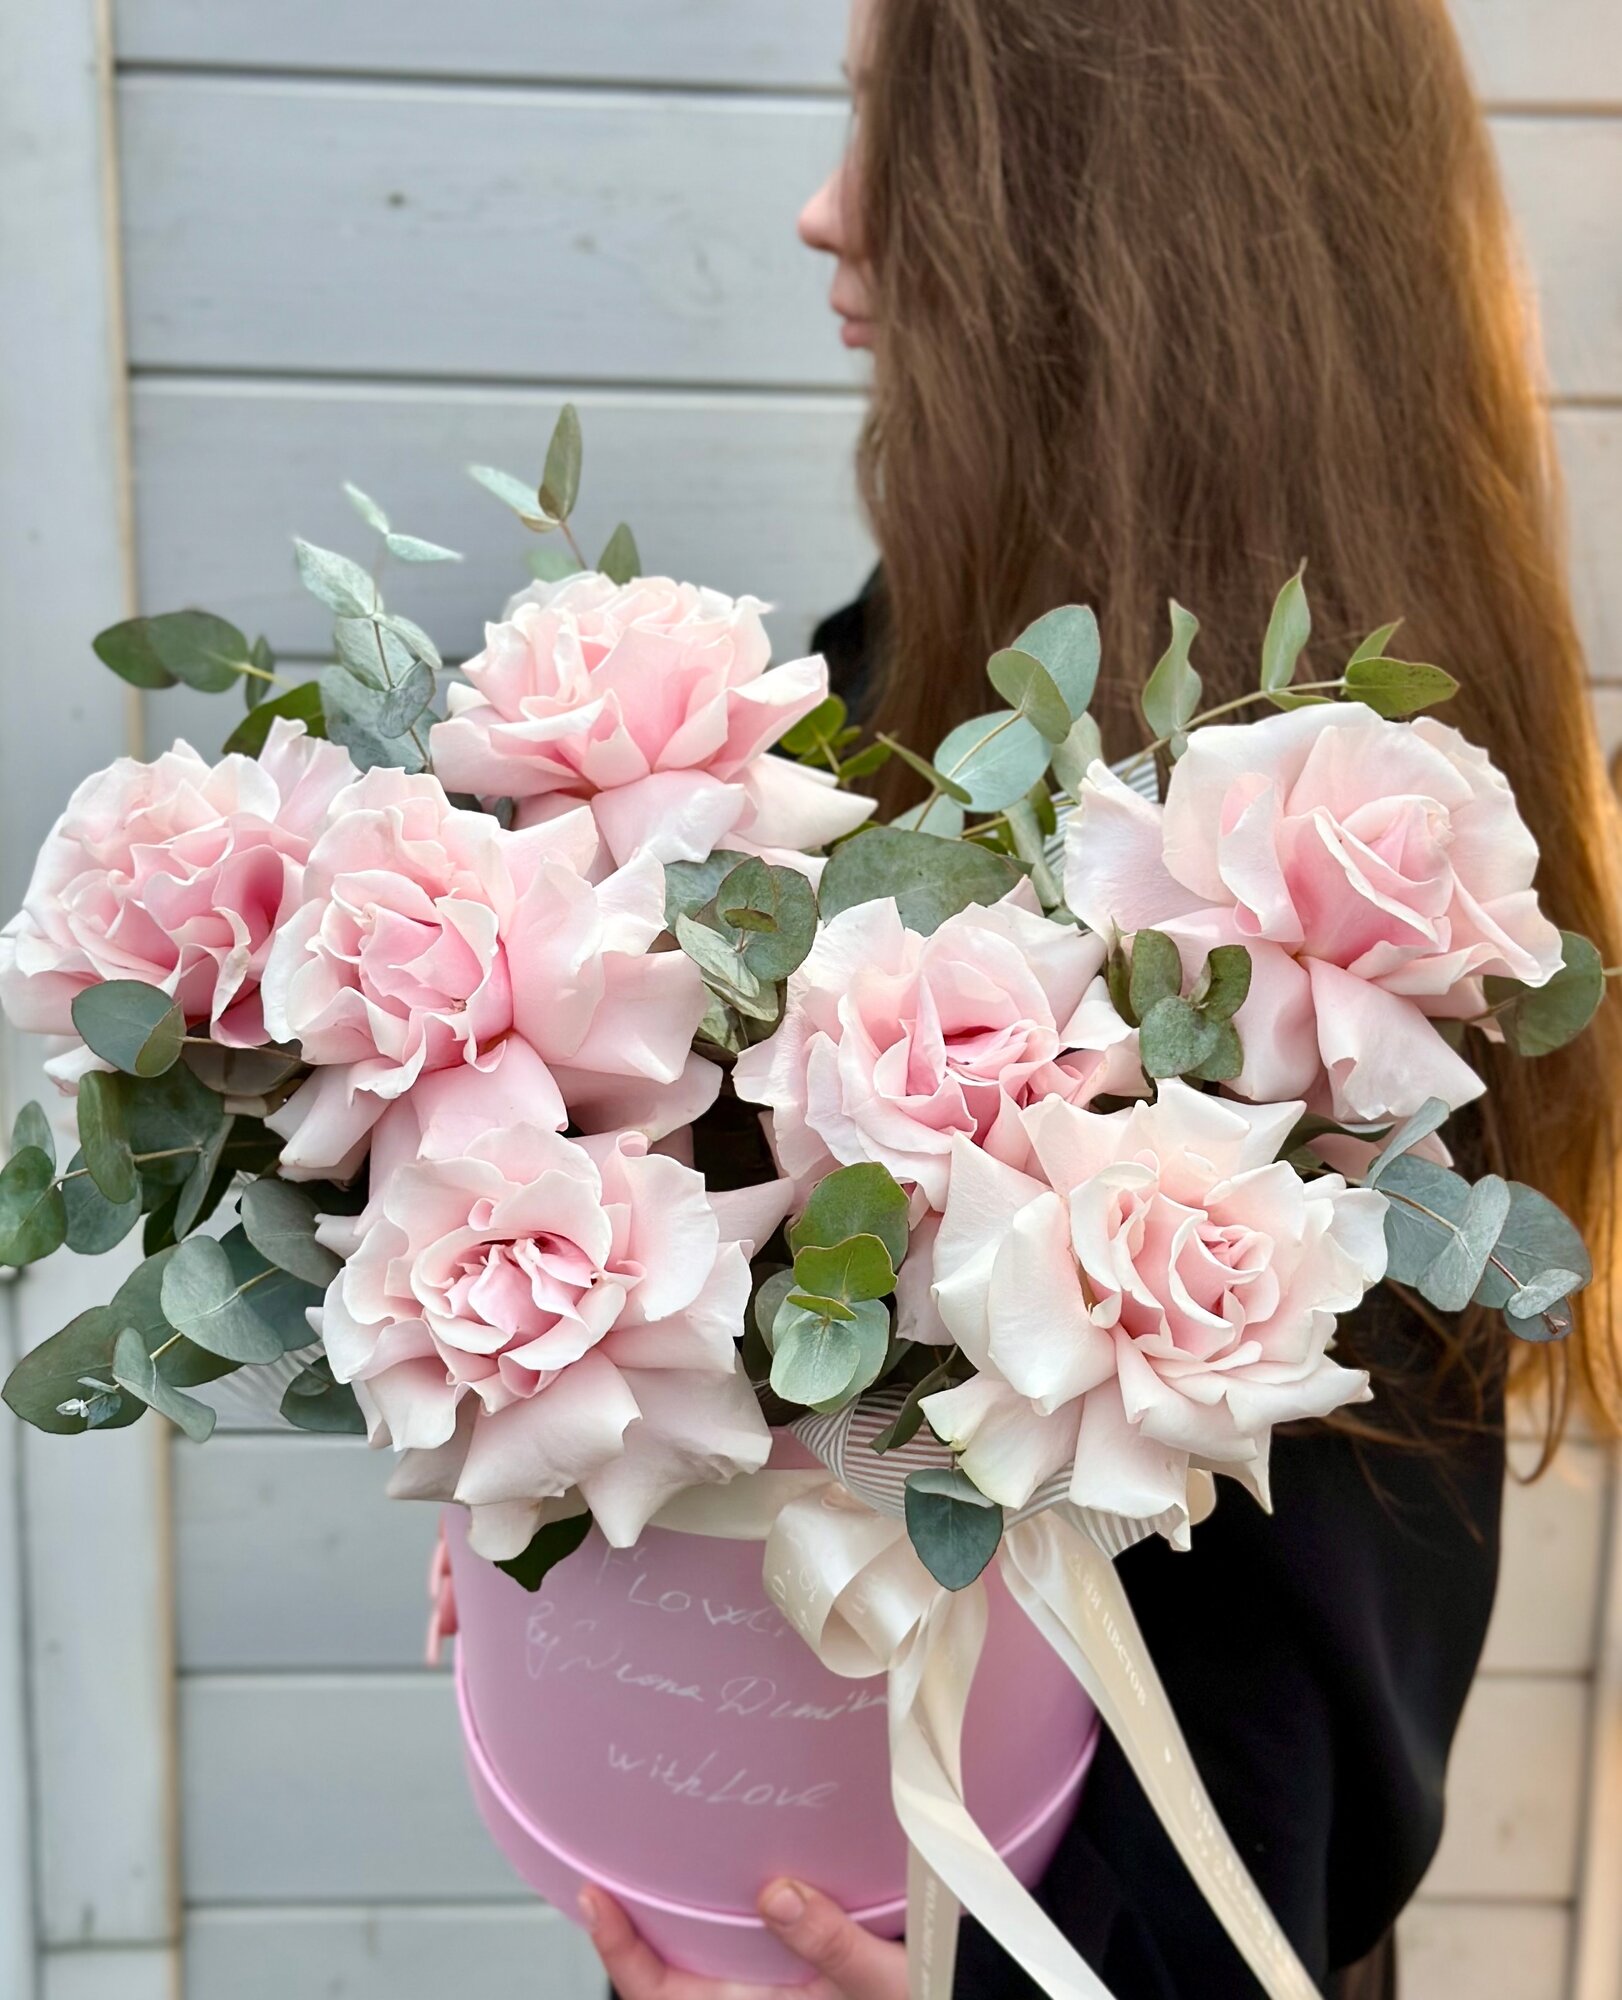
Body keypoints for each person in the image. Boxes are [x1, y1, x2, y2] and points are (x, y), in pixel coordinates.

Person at [586, 0, 1622, 1993]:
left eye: (895, 135)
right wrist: (589, 1504)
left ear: (1089, 224)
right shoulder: (906, 671)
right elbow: (805, 1384)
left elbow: (1297, 1764)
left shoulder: (1353, 920)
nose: (823, 213)